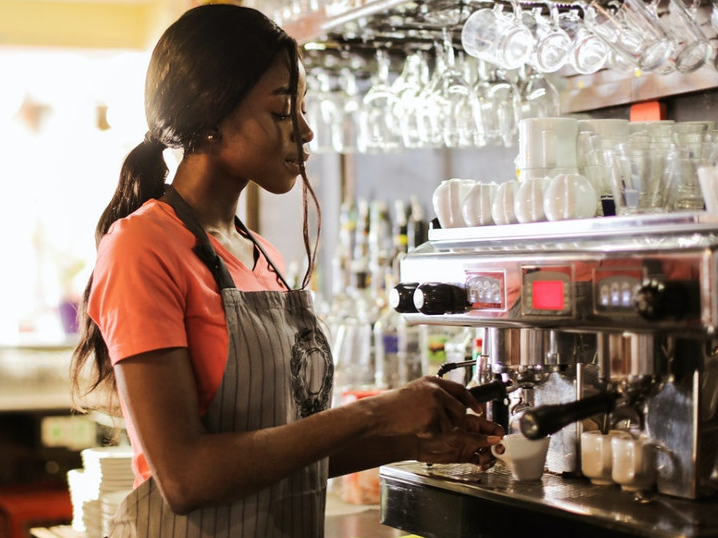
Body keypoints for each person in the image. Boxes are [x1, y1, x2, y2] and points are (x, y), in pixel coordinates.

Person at [70, 4, 505, 537]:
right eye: (281, 112)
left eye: (300, 108)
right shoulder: (143, 247)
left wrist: (418, 442)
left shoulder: (261, 254)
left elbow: (284, 451)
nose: (305, 131)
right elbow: (186, 478)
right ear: (209, 122)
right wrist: (375, 413)